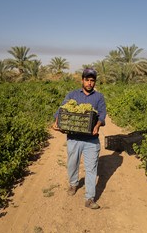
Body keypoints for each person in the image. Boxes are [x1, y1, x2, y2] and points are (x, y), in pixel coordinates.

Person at [53, 68, 106, 209]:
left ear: (94, 82)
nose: (89, 83)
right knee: (72, 164)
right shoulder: (72, 95)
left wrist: (98, 124)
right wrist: (57, 120)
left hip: (91, 140)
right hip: (74, 138)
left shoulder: (99, 97)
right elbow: (62, 109)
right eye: (87, 80)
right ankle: (73, 184)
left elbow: (101, 114)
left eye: (92, 80)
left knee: (91, 169)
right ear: (82, 80)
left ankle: (89, 198)